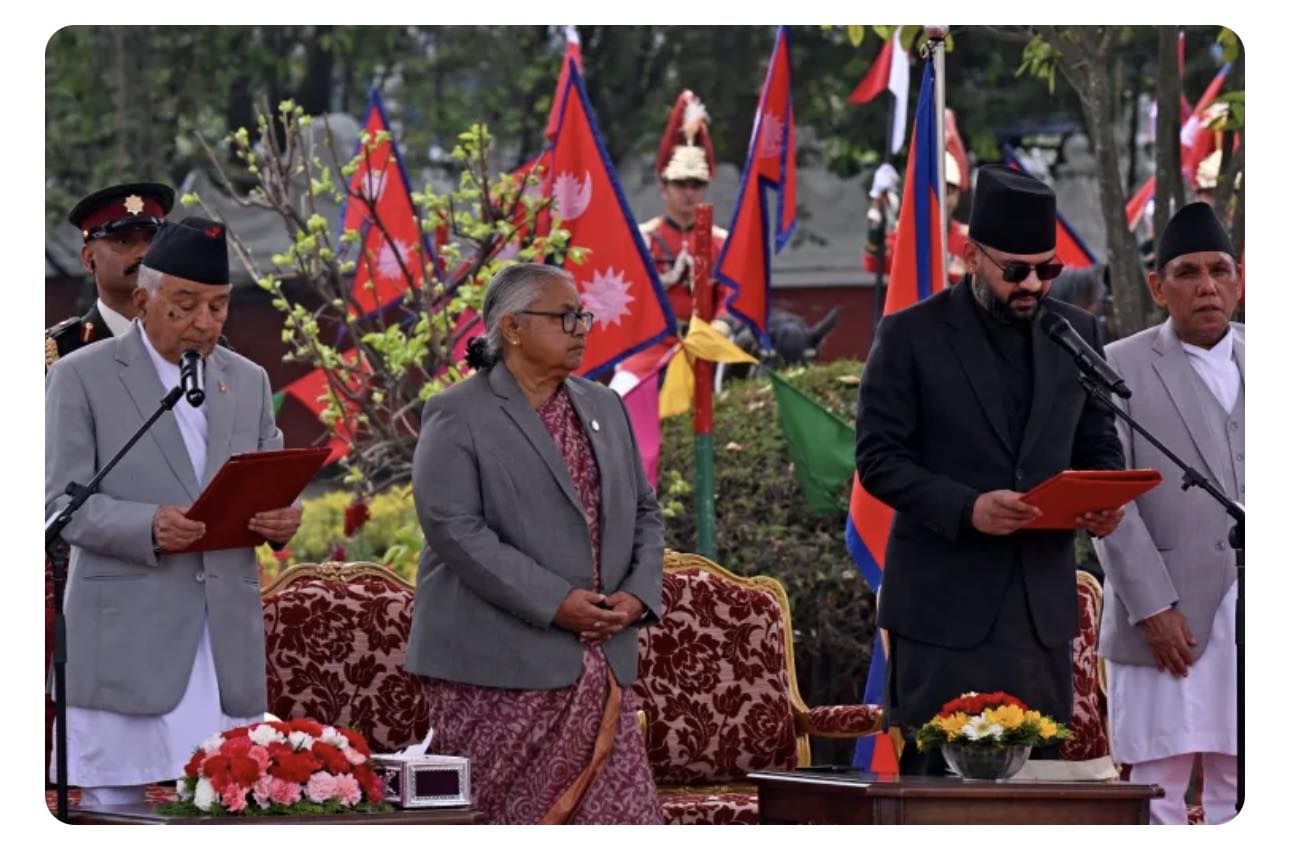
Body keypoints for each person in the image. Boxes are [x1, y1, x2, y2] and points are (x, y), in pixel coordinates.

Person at [854, 165, 1126, 775]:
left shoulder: (1076, 333)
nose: (1032, 285)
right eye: (1016, 271)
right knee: (941, 795)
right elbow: (878, 460)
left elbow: (1098, 441)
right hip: (943, 612)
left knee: (1032, 794)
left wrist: (1102, 496)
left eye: (1047, 271)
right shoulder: (911, 335)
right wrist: (967, 507)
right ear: (971, 256)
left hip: (1037, 616)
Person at [45, 216, 303, 806]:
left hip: (222, 637)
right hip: (126, 634)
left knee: (229, 805)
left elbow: (273, 482)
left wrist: (283, 516)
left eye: (218, 307)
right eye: (185, 306)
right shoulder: (81, 375)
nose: (204, 323)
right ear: (143, 301)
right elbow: (60, 505)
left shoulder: (249, 380)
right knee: (115, 811)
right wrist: (148, 525)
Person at [404, 263, 665, 824]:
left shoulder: (604, 405)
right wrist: (556, 603)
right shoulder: (458, 412)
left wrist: (637, 595)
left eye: (583, 316)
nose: (581, 328)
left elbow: (645, 510)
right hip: (498, 667)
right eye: (564, 317)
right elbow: (454, 528)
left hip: (601, 661)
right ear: (513, 327)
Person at [1091, 202, 1242, 824]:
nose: (1207, 286)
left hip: (1258, 613)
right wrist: (1152, 608)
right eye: (1187, 273)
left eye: (1219, 270)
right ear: (1158, 287)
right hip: (1168, 615)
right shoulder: (1118, 364)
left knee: (1248, 782)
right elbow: (1108, 496)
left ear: (1239, 279)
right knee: (1158, 790)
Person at [613, 91, 731, 393]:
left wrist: (721, 323)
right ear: (664, 188)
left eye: (697, 184)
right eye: (680, 184)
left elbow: (731, 294)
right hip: (649, 350)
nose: (689, 192)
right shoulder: (643, 239)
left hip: (706, 349)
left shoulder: (721, 242)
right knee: (619, 394)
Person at [46, 182, 174, 369]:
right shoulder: (61, 352)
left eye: (153, 240)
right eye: (123, 241)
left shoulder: (196, 342)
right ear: (88, 259)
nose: (144, 253)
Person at [863, 153, 971, 284]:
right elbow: (874, 261)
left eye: (946, 193)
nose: (939, 201)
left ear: (956, 196)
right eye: (933, 193)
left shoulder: (968, 240)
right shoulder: (904, 237)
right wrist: (878, 205)